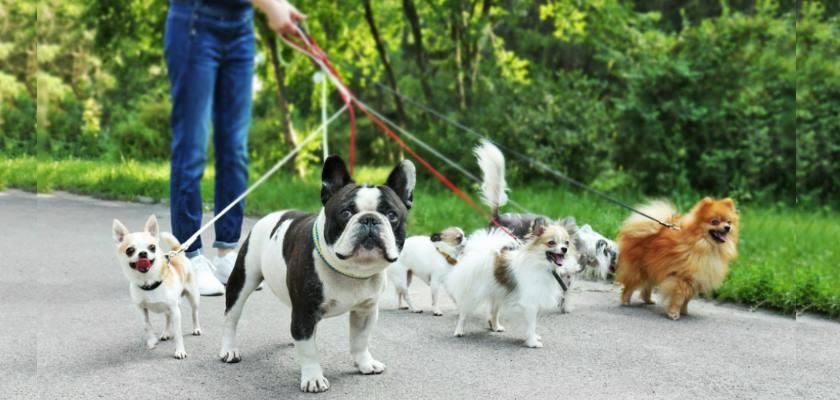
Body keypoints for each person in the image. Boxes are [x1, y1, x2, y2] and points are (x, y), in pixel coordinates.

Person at [165, 0, 304, 295]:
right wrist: (272, 5)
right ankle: (189, 257)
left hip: (241, 27)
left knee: (235, 150)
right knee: (192, 149)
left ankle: (227, 254)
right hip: (195, 23)